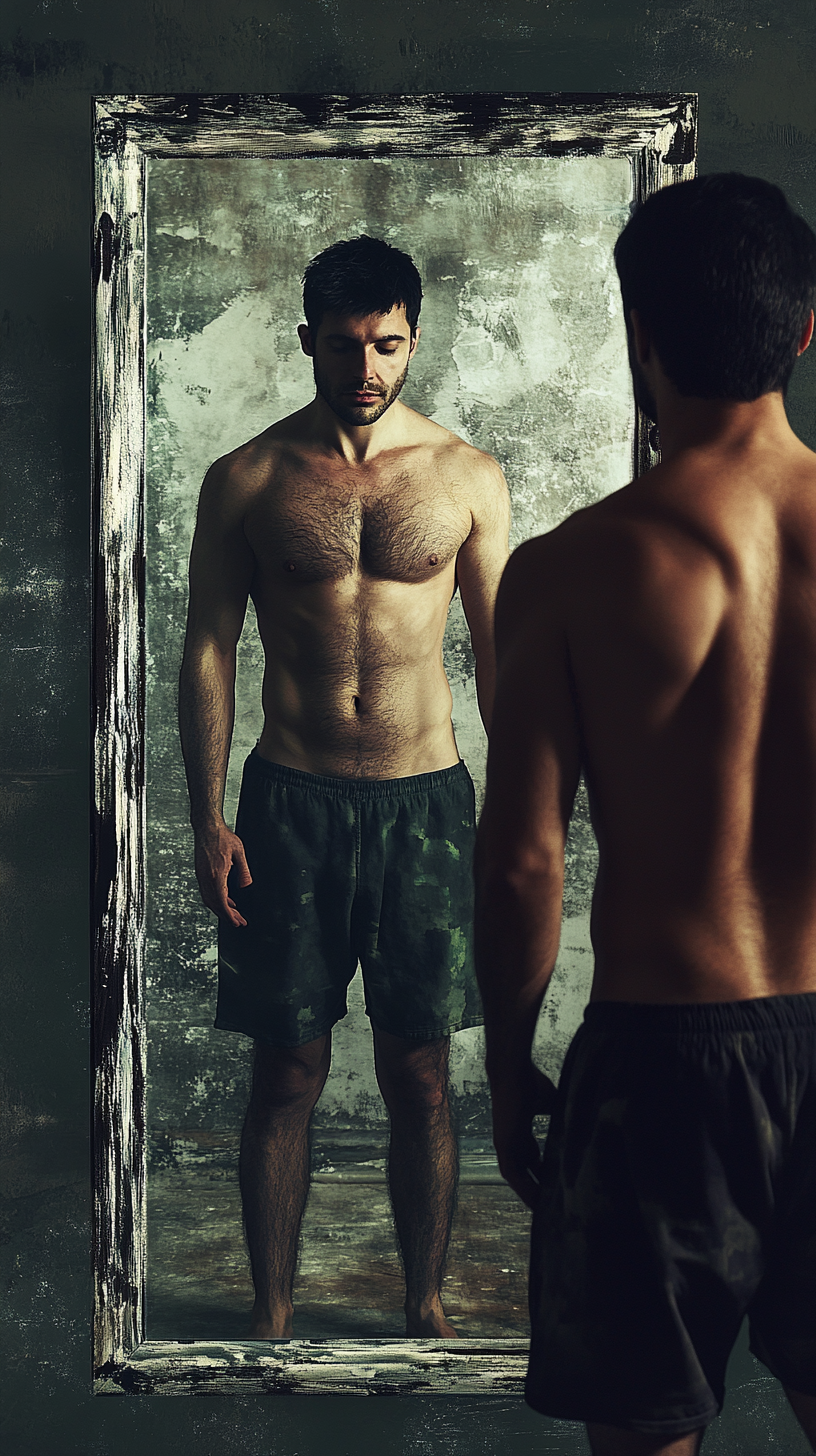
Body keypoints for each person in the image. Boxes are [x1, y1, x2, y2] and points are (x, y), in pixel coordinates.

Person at [474, 174, 816, 1456]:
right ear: (802, 330)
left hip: (666, 1062)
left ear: (641, 335)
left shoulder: (568, 568)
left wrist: (510, 1076)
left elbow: (520, 865)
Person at [178, 234, 510, 1339]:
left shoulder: (466, 476)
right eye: (348, 345)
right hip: (293, 803)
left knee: (421, 1070)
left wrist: (515, 811)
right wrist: (207, 814)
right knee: (287, 1068)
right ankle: (271, 1314)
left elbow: (499, 651)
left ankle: (424, 1302)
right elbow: (210, 648)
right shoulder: (248, 479)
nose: (369, 368)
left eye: (389, 344)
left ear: (413, 337)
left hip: (426, 805)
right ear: (308, 338)